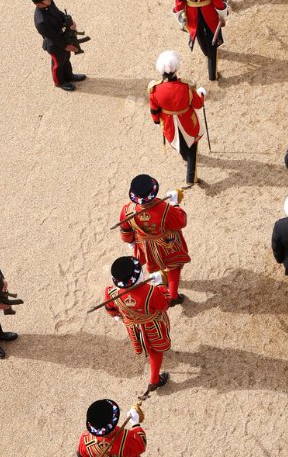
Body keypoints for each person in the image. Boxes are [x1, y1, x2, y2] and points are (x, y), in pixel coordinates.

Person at [118, 174, 190, 304]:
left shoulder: (127, 210)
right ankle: (173, 296)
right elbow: (181, 221)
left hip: (144, 243)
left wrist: (130, 241)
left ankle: (160, 281)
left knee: (152, 264)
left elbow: (125, 230)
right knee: (174, 266)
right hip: (167, 243)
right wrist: (175, 204)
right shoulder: (165, 209)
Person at [103, 256, 172, 391]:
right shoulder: (151, 291)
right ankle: (154, 380)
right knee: (156, 350)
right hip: (153, 326)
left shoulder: (111, 292)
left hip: (133, 327)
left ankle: (154, 378)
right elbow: (165, 304)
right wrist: (160, 285)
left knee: (150, 349)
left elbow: (110, 308)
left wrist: (117, 318)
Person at [147, 51, 206, 186]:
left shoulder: (154, 89)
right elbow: (198, 104)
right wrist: (201, 93)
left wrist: (157, 121)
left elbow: (154, 110)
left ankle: (185, 156)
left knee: (179, 144)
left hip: (168, 123)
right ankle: (191, 177)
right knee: (192, 146)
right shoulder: (186, 87)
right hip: (187, 121)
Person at [32, 0, 86, 91]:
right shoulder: (41, 21)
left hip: (63, 36)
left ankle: (69, 76)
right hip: (55, 44)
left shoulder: (49, 2)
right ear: (39, 4)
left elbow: (59, 13)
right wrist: (66, 46)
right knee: (58, 64)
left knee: (66, 59)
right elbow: (53, 37)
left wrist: (69, 22)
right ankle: (60, 82)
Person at [77, 398, 147, 457]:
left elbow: (80, 454)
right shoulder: (128, 440)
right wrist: (135, 423)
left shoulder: (85, 440)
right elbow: (142, 444)